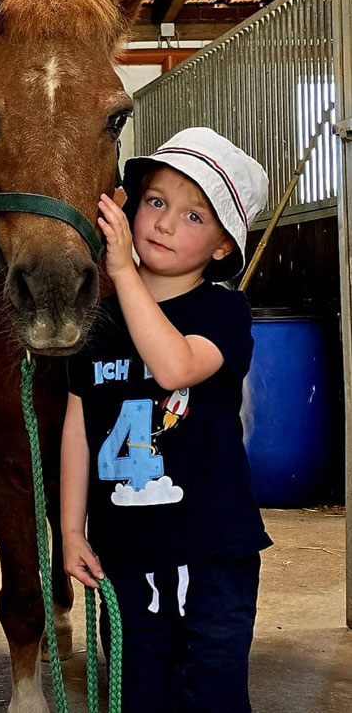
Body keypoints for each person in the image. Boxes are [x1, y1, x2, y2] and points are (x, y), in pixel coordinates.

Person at [61, 127, 272, 712]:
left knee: (213, 692)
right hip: (124, 555)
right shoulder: (96, 320)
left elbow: (175, 366)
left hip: (212, 554)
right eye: (156, 202)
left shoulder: (223, 312)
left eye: (195, 217)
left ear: (225, 246)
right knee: (138, 694)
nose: (165, 223)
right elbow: (78, 425)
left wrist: (124, 273)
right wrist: (71, 529)